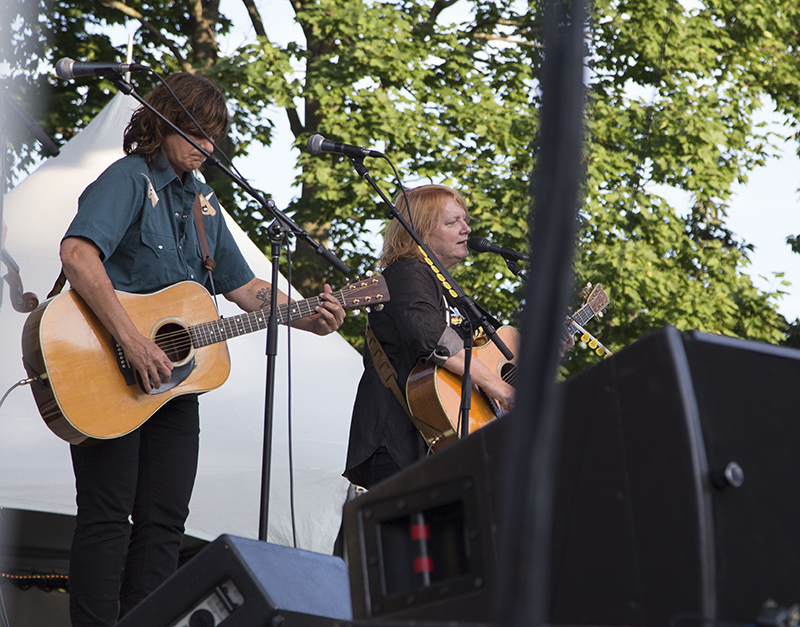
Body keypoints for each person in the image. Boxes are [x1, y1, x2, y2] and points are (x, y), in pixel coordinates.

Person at [60, 73, 345, 627]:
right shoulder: (128, 178)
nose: (208, 147)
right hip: (105, 369)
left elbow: (247, 289)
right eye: (197, 132)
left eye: (214, 136)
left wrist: (308, 316)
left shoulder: (203, 202)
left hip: (175, 386)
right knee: (106, 516)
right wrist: (133, 339)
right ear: (163, 123)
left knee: (165, 521)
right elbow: (77, 254)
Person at [343, 184, 519, 489]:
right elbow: (436, 341)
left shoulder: (444, 286)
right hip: (399, 439)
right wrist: (501, 390)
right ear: (420, 232)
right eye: (453, 223)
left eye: (465, 220)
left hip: (432, 439)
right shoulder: (408, 272)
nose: (467, 229)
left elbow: (487, 355)